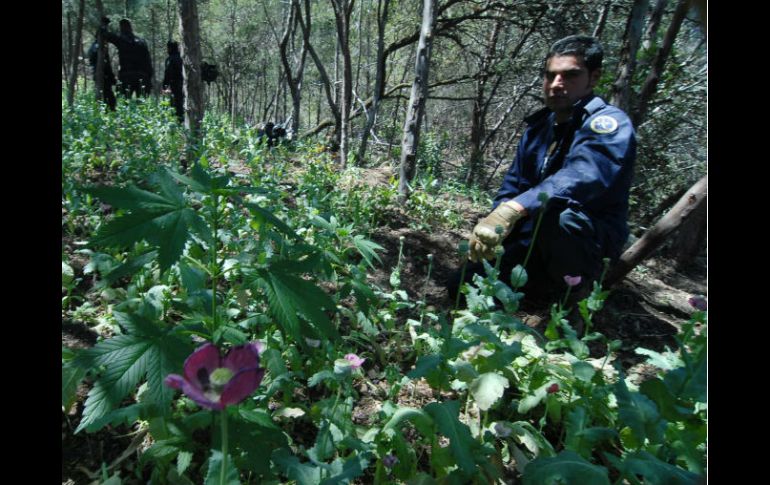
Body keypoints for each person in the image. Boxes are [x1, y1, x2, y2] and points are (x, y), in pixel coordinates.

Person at [448, 35, 636, 305]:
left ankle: (574, 293)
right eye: (551, 75)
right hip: (532, 242)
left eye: (570, 75)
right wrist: (496, 223)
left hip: (584, 243)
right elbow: (513, 186)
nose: (557, 84)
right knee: (462, 288)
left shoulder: (608, 124)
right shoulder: (539, 128)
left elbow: (584, 175)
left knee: (559, 214)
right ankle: (537, 287)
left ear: (593, 78)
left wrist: (514, 209)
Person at [100, 18, 153, 98]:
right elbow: (148, 61)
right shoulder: (141, 41)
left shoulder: (121, 39)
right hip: (142, 76)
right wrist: (149, 77)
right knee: (142, 105)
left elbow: (106, 35)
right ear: (130, 28)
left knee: (123, 103)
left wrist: (104, 25)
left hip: (127, 76)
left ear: (121, 28)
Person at [87, 39, 117, 111]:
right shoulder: (98, 46)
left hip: (104, 76)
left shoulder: (97, 46)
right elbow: (104, 65)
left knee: (108, 97)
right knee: (108, 97)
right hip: (102, 76)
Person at [162, 40, 184, 122]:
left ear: (170, 48)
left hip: (175, 86)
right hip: (183, 86)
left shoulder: (170, 59)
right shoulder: (182, 58)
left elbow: (168, 73)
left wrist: (164, 87)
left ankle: (177, 125)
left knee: (174, 107)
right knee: (181, 106)